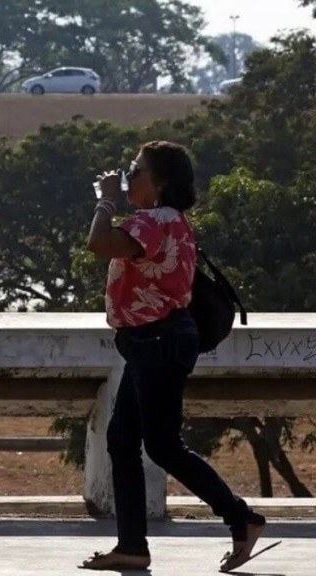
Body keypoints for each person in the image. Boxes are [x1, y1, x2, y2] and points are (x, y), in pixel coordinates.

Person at [79, 141, 267, 572]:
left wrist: (106, 199)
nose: (129, 176)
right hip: (152, 342)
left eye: (137, 170)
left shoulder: (154, 221)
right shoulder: (170, 220)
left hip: (158, 341)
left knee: (162, 445)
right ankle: (131, 546)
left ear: (160, 182)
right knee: (122, 441)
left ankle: (241, 517)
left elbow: (99, 243)